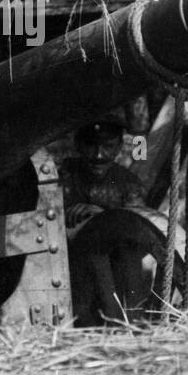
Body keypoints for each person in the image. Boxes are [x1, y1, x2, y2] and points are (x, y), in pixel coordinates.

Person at [59, 113, 156, 324]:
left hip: (115, 280)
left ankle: (126, 323)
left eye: (108, 146)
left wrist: (102, 218)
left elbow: (139, 237)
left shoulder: (129, 184)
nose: (99, 155)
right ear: (77, 144)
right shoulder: (61, 176)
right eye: (91, 145)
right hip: (67, 278)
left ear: (120, 146)